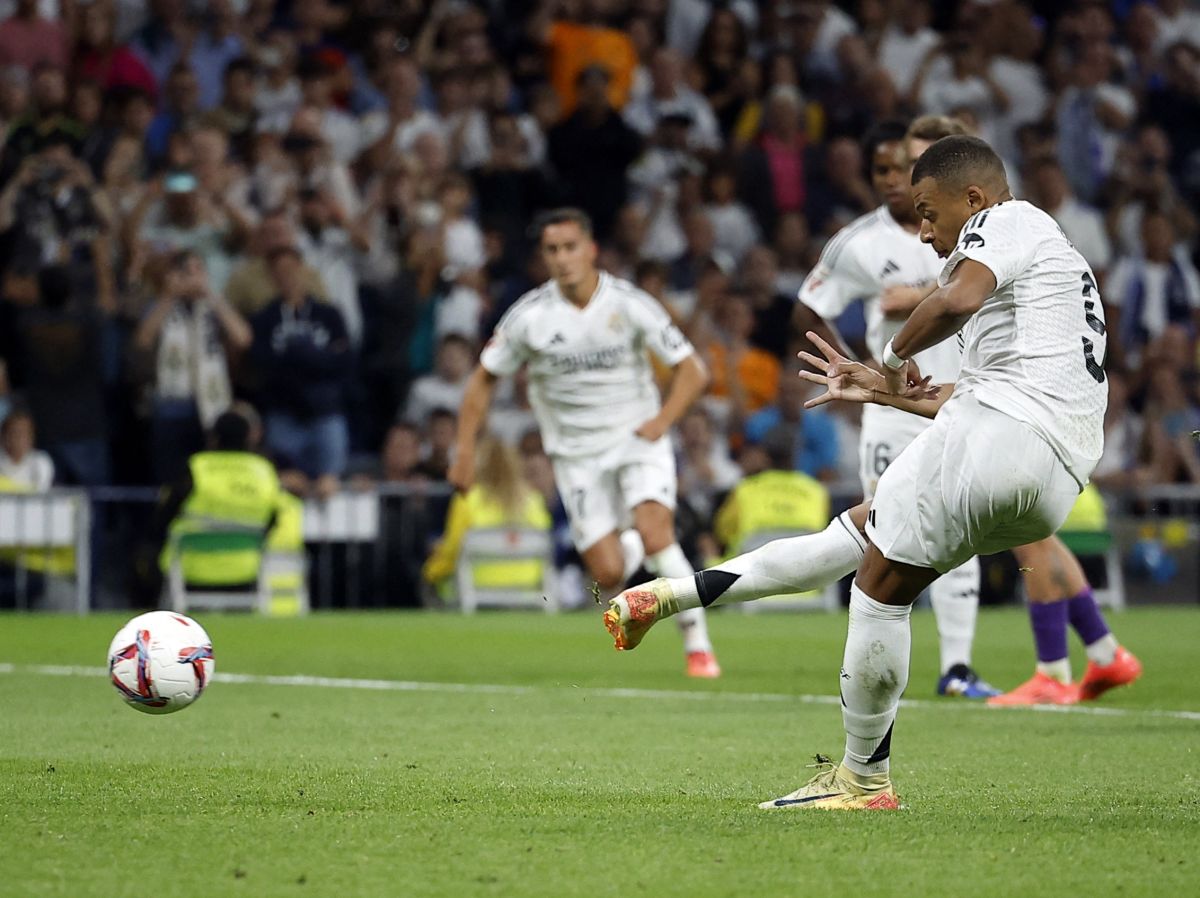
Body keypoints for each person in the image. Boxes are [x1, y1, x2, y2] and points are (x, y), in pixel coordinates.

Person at [604, 135, 1121, 808]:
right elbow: (966, 392)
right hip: (1051, 470)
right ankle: (670, 596)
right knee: (858, 535)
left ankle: (863, 780)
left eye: (931, 213)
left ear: (974, 198)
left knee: (877, 588)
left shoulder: (1008, 220)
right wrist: (884, 391)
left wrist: (888, 353)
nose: (928, 234)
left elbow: (954, 301)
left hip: (1004, 439)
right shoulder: (1050, 273)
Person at [452, 207, 721, 678]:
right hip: (576, 455)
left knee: (660, 533)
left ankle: (698, 646)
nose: (562, 258)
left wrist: (661, 422)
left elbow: (693, 370)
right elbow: (481, 381)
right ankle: (633, 551)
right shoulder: (529, 317)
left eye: (570, 247)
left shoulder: (629, 303)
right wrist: (463, 452)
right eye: (552, 250)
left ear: (591, 249)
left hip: (638, 437)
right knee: (608, 573)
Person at [793, 116, 998, 698]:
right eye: (885, 169)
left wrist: (920, 296)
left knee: (965, 530)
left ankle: (957, 668)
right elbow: (806, 309)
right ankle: (875, 665)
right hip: (891, 406)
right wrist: (851, 362)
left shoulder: (983, 233)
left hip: (962, 397)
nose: (894, 179)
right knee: (887, 529)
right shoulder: (859, 242)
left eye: (905, 166)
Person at [422, 436, 552, 601]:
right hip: (529, 587)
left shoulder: (467, 500)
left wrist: (430, 572)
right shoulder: (533, 500)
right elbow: (545, 543)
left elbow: (452, 550)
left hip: (475, 587)